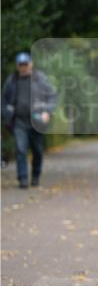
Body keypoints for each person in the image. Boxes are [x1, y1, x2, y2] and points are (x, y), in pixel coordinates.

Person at [2, 53, 57, 188]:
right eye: (21, 65)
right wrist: (6, 112)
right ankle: (23, 179)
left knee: (37, 150)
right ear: (17, 66)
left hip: (37, 122)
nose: (23, 67)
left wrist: (47, 111)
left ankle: (36, 176)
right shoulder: (12, 80)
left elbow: (52, 96)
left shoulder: (40, 79)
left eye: (25, 64)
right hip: (19, 121)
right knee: (21, 149)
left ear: (31, 64)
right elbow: (3, 100)